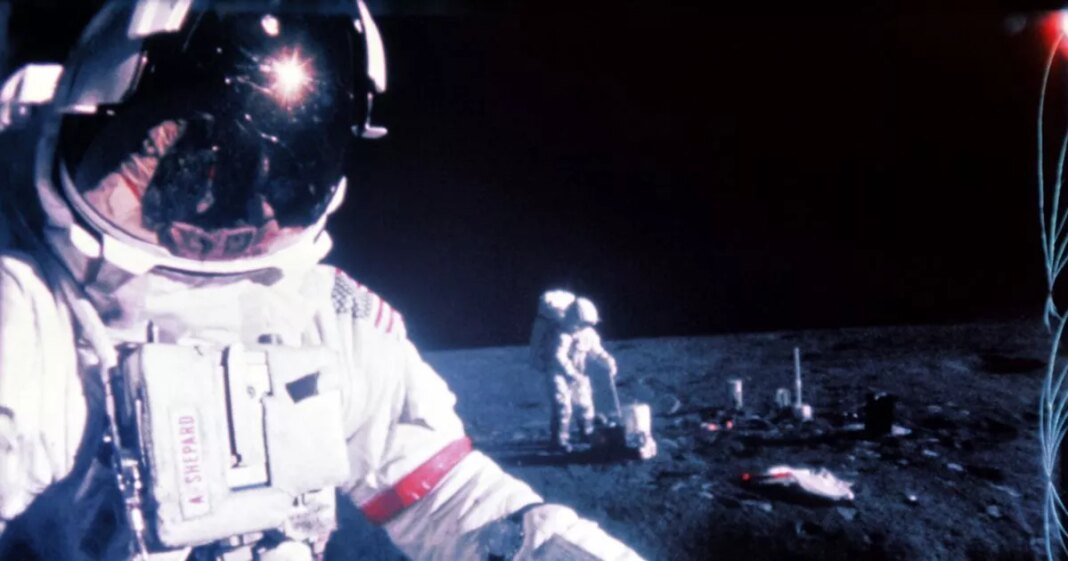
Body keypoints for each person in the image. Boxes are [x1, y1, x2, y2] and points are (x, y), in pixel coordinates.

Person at [0, 2, 644, 560]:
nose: (232, 212)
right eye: (184, 169)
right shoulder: (31, 327)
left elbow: (451, 498)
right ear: (85, 114)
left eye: (276, 175)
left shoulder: (326, 320)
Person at [547, 297, 618, 453]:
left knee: (585, 405)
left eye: (587, 324)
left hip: (579, 374)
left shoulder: (589, 335)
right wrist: (570, 372)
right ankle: (559, 440)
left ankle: (586, 432)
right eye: (582, 323)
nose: (584, 327)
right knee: (563, 406)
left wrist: (608, 362)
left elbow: (597, 352)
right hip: (559, 375)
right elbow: (558, 356)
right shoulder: (563, 336)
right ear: (574, 320)